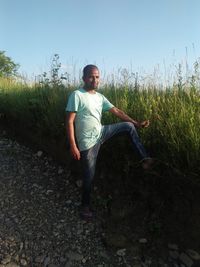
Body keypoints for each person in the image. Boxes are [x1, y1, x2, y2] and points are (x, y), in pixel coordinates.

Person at [65, 64, 154, 220]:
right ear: (84, 78)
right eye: (91, 76)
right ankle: (85, 207)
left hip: (101, 133)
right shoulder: (77, 95)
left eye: (97, 76)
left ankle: (144, 158)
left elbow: (117, 111)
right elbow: (69, 121)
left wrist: (136, 123)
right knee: (89, 177)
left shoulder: (99, 97)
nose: (95, 80)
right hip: (87, 144)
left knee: (128, 126)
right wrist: (73, 145)